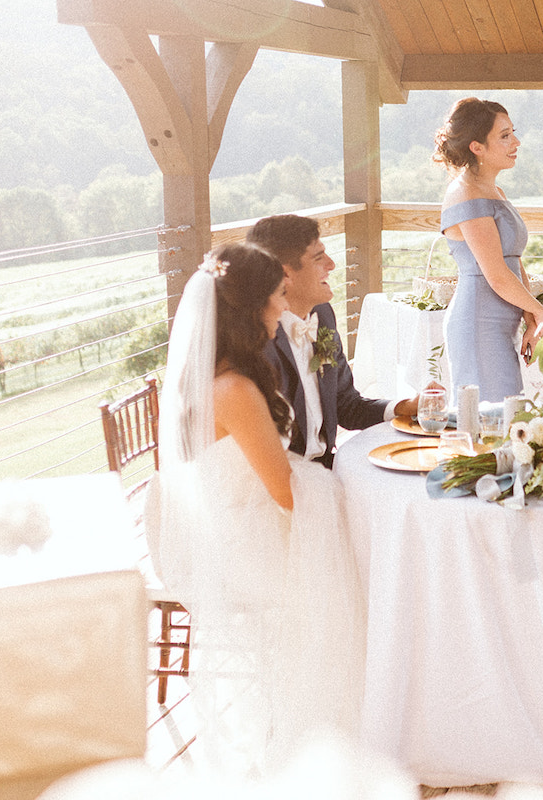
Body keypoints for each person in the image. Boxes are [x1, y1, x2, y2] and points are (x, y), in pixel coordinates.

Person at [156, 243, 367, 775]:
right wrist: (348, 499)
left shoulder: (223, 373)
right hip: (243, 542)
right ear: (250, 309)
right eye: (276, 299)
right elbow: (286, 492)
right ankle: (323, 738)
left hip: (238, 518)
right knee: (362, 562)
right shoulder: (233, 389)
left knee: (358, 541)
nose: (283, 309)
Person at [247, 214, 424, 468]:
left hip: (327, 466)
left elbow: (346, 406)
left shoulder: (323, 315)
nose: (331, 265)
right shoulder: (258, 340)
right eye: (319, 258)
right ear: (286, 273)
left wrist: (404, 406)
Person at [433, 97, 543, 402]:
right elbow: (496, 274)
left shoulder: (495, 190)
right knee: (489, 425)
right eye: (505, 136)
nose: (516, 142)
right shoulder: (465, 193)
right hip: (478, 325)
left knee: (507, 419)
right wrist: (540, 311)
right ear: (477, 147)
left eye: (513, 132)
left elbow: (513, 262)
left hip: (502, 324)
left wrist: (528, 314)